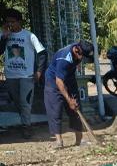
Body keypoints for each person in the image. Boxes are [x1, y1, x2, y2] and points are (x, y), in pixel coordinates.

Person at [0, 9, 48, 137]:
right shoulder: (3, 35)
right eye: (7, 22)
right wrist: (4, 37)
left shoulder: (29, 36)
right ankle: (24, 121)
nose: (10, 24)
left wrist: (38, 71)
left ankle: (26, 126)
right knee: (17, 101)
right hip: (11, 75)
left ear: (19, 22)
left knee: (25, 102)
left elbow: (42, 53)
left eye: (13, 22)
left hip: (26, 76)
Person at [43, 40, 93, 149]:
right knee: (55, 110)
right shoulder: (64, 59)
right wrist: (68, 100)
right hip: (53, 82)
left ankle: (79, 140)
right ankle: (59, 142)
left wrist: (72, 100)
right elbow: (59, 82)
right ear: (76, 50)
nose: (82, 59)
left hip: (69, 80)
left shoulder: (79, 49)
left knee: (76, 108)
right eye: (81, 56)